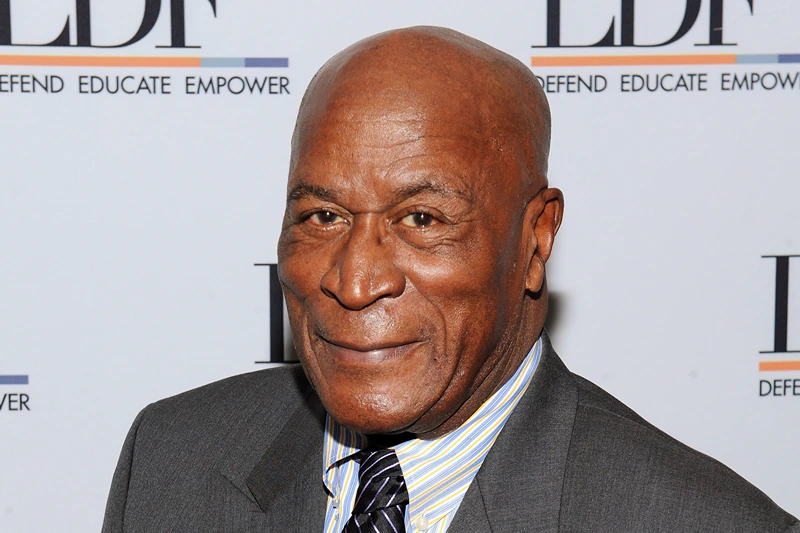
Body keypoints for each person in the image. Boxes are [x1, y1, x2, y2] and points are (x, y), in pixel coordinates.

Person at [102, 26, 799, 533]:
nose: (356, 278)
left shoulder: (699, 520)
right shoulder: (170, 462)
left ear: (534, 239)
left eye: (422, 218)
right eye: (322, 215)